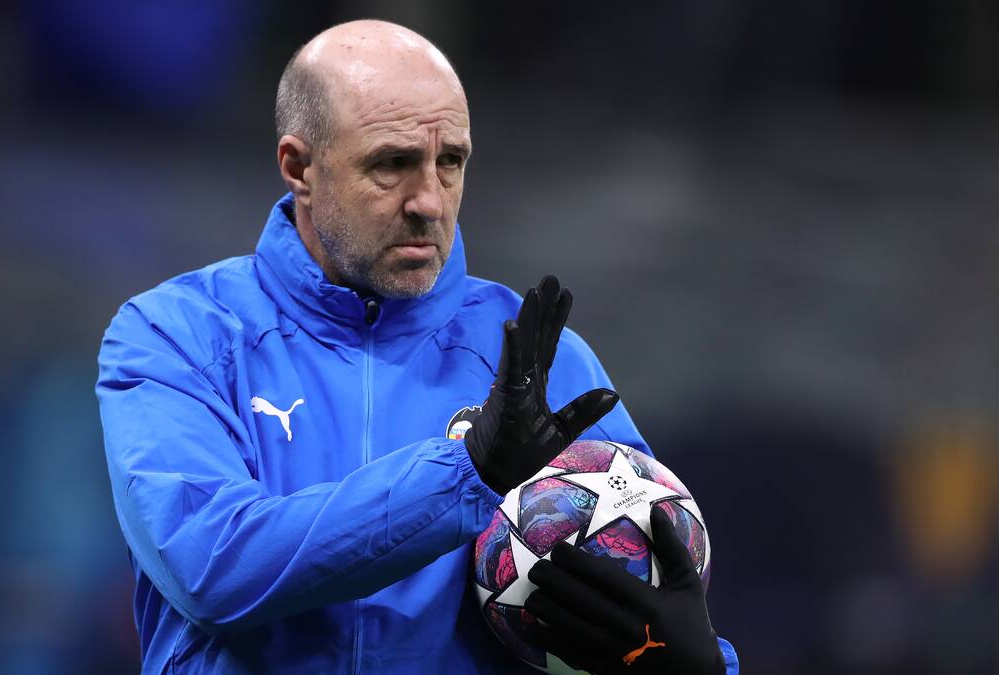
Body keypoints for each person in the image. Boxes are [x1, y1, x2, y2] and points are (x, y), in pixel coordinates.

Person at [96, 19, 738, 674]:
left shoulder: (543, 363)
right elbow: (212, 568)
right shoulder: (178, 336)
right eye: (392, 163)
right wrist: (466, 473)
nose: (429, 201)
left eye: (450, 161)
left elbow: (641, 592)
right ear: (299, 167)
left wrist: (695, 666)